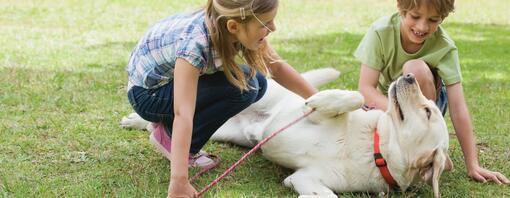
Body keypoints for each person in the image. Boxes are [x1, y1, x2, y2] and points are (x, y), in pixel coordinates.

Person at [126, 0, 317, 197]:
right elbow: (183, 113)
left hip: (165, 84)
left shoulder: (228, 25)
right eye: (265, 24)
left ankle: (166, 127)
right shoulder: (195, 45)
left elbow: (276, 67)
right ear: (233, 26)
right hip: (148, 95)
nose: (273, 28)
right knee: (245, 86)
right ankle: (169, 138)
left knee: (256, 81)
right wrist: (179, 181)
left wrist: (319, 99)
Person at [354, 0, 509, 184]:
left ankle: (426, 146)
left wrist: (472, 164)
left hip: (428, 106)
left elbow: (458, 108)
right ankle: (420, 149)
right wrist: (398, 113)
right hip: (391, 103)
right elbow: (366, 88)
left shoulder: (445, 47)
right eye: (415, 16)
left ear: (442, 18)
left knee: (414, 68)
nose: (422, 26)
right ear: (401, 8)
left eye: (433, 20)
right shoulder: (381, 31)